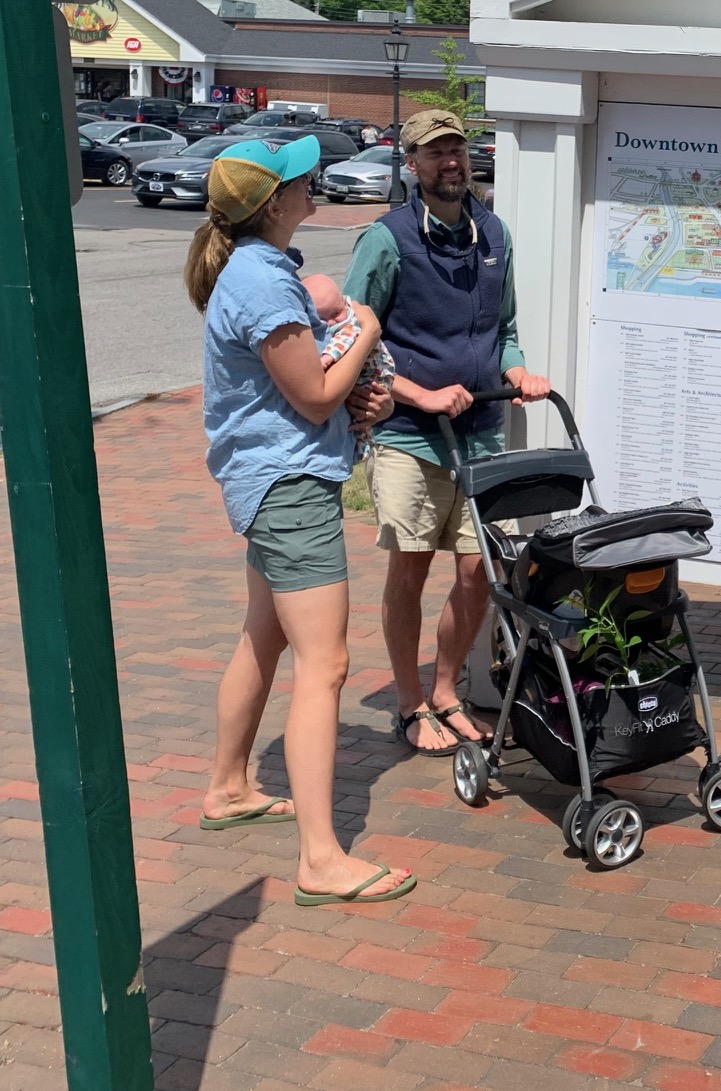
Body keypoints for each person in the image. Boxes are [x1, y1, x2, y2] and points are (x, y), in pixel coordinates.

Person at [188, 136, 414, 907]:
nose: (309, 183)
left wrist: (367, 395)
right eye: (297, 179)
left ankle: (227, 787)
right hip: (287, 489)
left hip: (278, 481)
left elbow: (315, 389)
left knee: (266, 633)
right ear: (274, 204)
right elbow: (314, 394)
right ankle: (321, 860)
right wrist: (370, 334)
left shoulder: (261, 271)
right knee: (327, 667)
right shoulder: (260, 281)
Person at [342, 108, 551, 757]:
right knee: (410, 570)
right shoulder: (387, 239)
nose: (449, 162)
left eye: (456, 149)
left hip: (482, 432)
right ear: (411, 166)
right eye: (434, 153)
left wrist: (517, 370)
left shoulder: (493, 234)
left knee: (478, 572)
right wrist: (420, 393)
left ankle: (445, 690)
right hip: (410, 436)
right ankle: (408, 703)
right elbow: (350, 338)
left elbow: (504, 328)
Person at [302, 273, 396, 463]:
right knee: (357, 414)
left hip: (375, 372)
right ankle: (361, 445)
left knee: (362, 412)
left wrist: (326, 359)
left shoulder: (352, 321)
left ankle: (362, 447)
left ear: (344, 303)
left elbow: (344, 342)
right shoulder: (338, 316)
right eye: (322, 318)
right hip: (364, 373)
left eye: (336, 314)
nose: (331, 322)